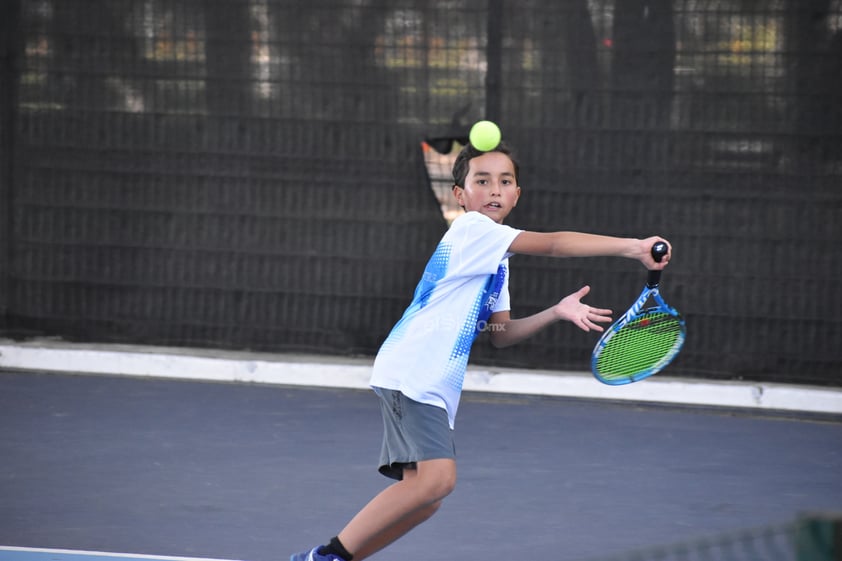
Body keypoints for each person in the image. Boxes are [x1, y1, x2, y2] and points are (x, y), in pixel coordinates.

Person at [290, 141, 671, 561]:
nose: (494, 189)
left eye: (505, 181)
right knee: (436, 482)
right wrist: (633, 246)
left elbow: (501, 332)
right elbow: (555, 244)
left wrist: (556, 312)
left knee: (426, 497)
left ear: (516, 194)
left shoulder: (497, 260)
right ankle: (322, 558)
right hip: (413, 370)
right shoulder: (472, 231)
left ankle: (338, 559)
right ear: (460, 195)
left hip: (429, 380)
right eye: (482, 180)